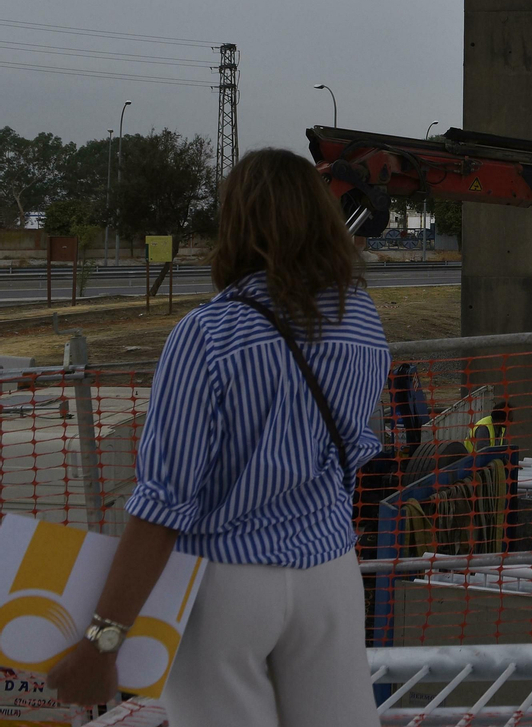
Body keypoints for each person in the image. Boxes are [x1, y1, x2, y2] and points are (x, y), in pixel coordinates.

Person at [47, 148, 386, 726]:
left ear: (238, 222)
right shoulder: (360, 317)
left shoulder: (208, 333)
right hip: (329, 573)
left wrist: (102, 642)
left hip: (222, 586)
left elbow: (163, 503)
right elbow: (354, 446)